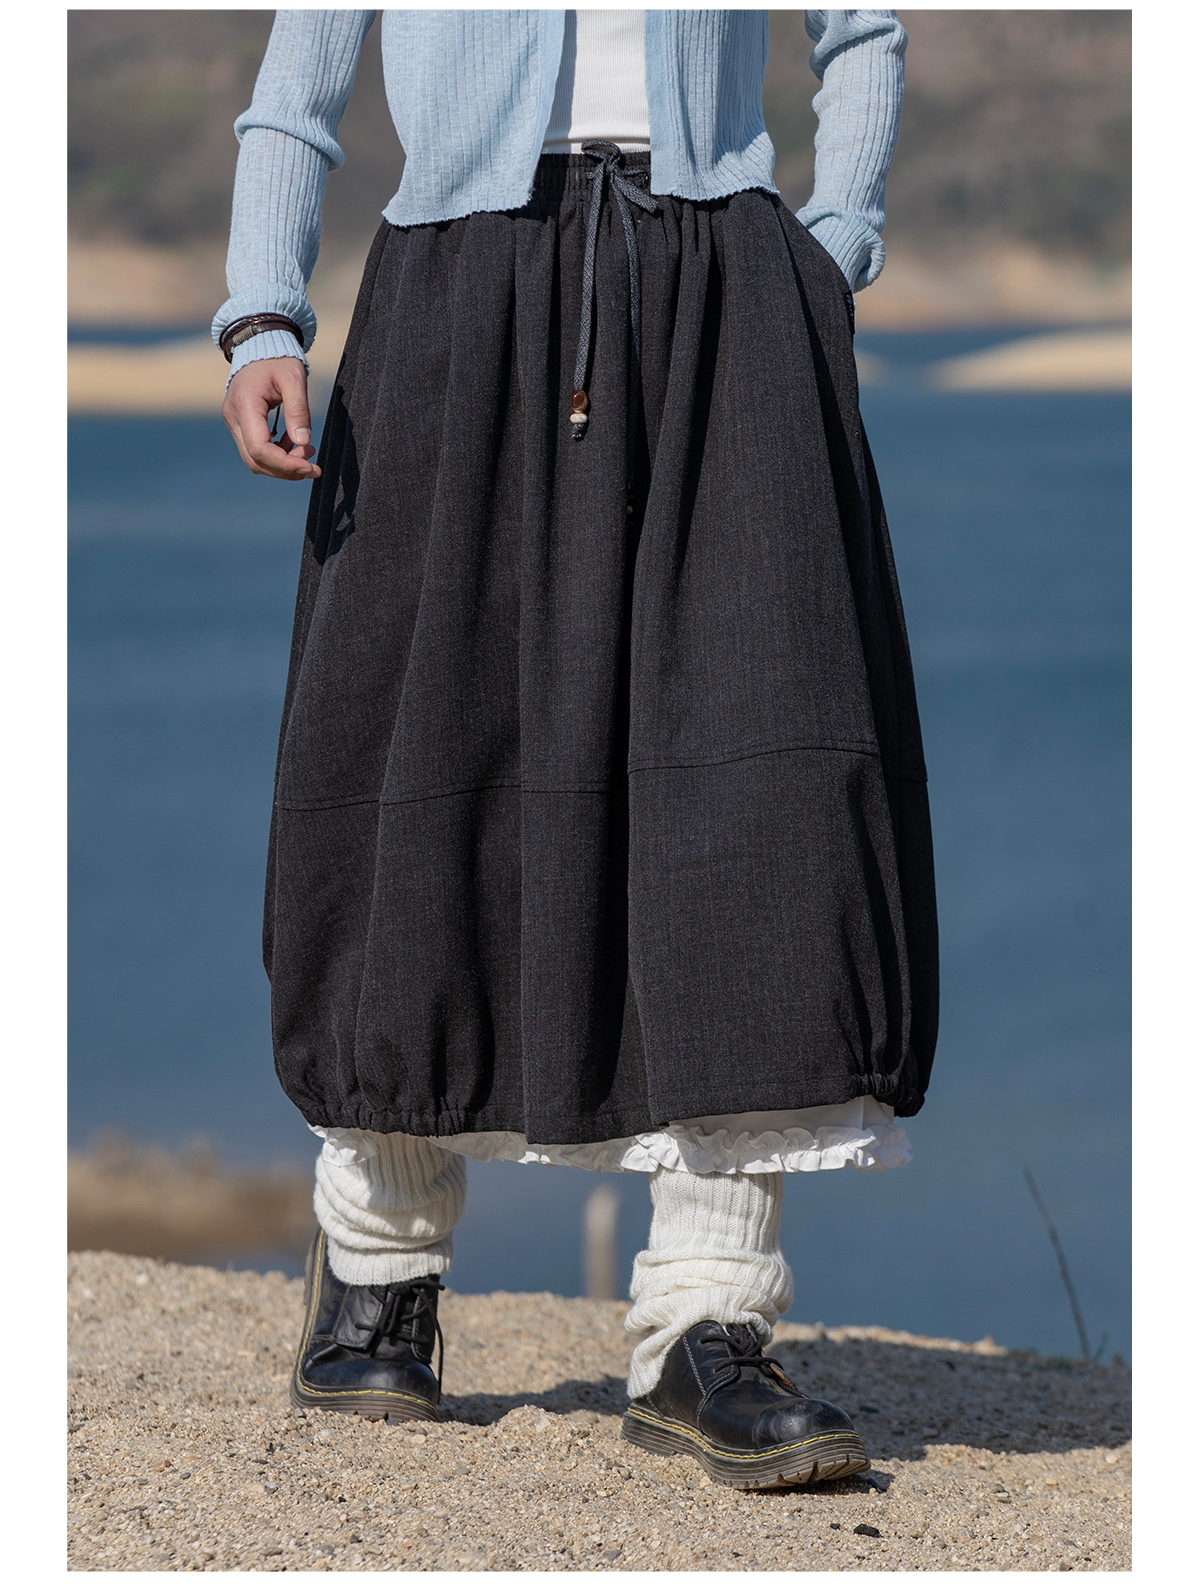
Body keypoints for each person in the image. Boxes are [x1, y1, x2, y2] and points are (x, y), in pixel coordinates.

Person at [215, 8, 936, 1492]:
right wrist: (262, 315)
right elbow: (298, 84)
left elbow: (861, 28)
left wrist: (833, 246)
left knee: (754, 785)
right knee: (419, 771)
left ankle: (707, 1326)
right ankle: (378, 1272)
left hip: (724, 286)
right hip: (454, 289)